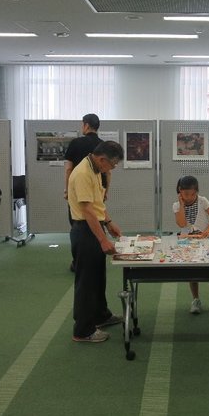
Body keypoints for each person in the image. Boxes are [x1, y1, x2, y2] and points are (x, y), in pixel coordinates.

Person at [69, 141, 124, 343]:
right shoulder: (83, 173)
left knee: (98, 278)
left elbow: (97, 203)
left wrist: (108, 223)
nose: (112, 168)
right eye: (113, 164)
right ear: (102, 160)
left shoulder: (94, 170)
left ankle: (101, 315)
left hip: (94, 227)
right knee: (86, 282)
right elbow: (87, 210)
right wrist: (102, 239)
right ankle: (82, 330)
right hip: (85, 231)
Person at [173, 175, 209, 314]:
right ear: (180, 192)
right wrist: (182, 204)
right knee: (192, 273)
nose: (189, 197)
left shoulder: (202, 201)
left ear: (197, 192)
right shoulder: (176, 206)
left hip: (206, 241)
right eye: (186, 194)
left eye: (193, 194)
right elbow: (182, 224)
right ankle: (196, 300)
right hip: (188, 243)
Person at [64, 113, 110, 271]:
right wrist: (105, 191)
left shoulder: (76, 143)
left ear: (85, 125)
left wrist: (68, 190)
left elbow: (68, 168)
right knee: (94, 220)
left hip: (78, 192)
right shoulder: (102, 145)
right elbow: (108, 174)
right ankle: (94, 252)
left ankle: (78, 261)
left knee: (79, 223)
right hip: (95, 191)